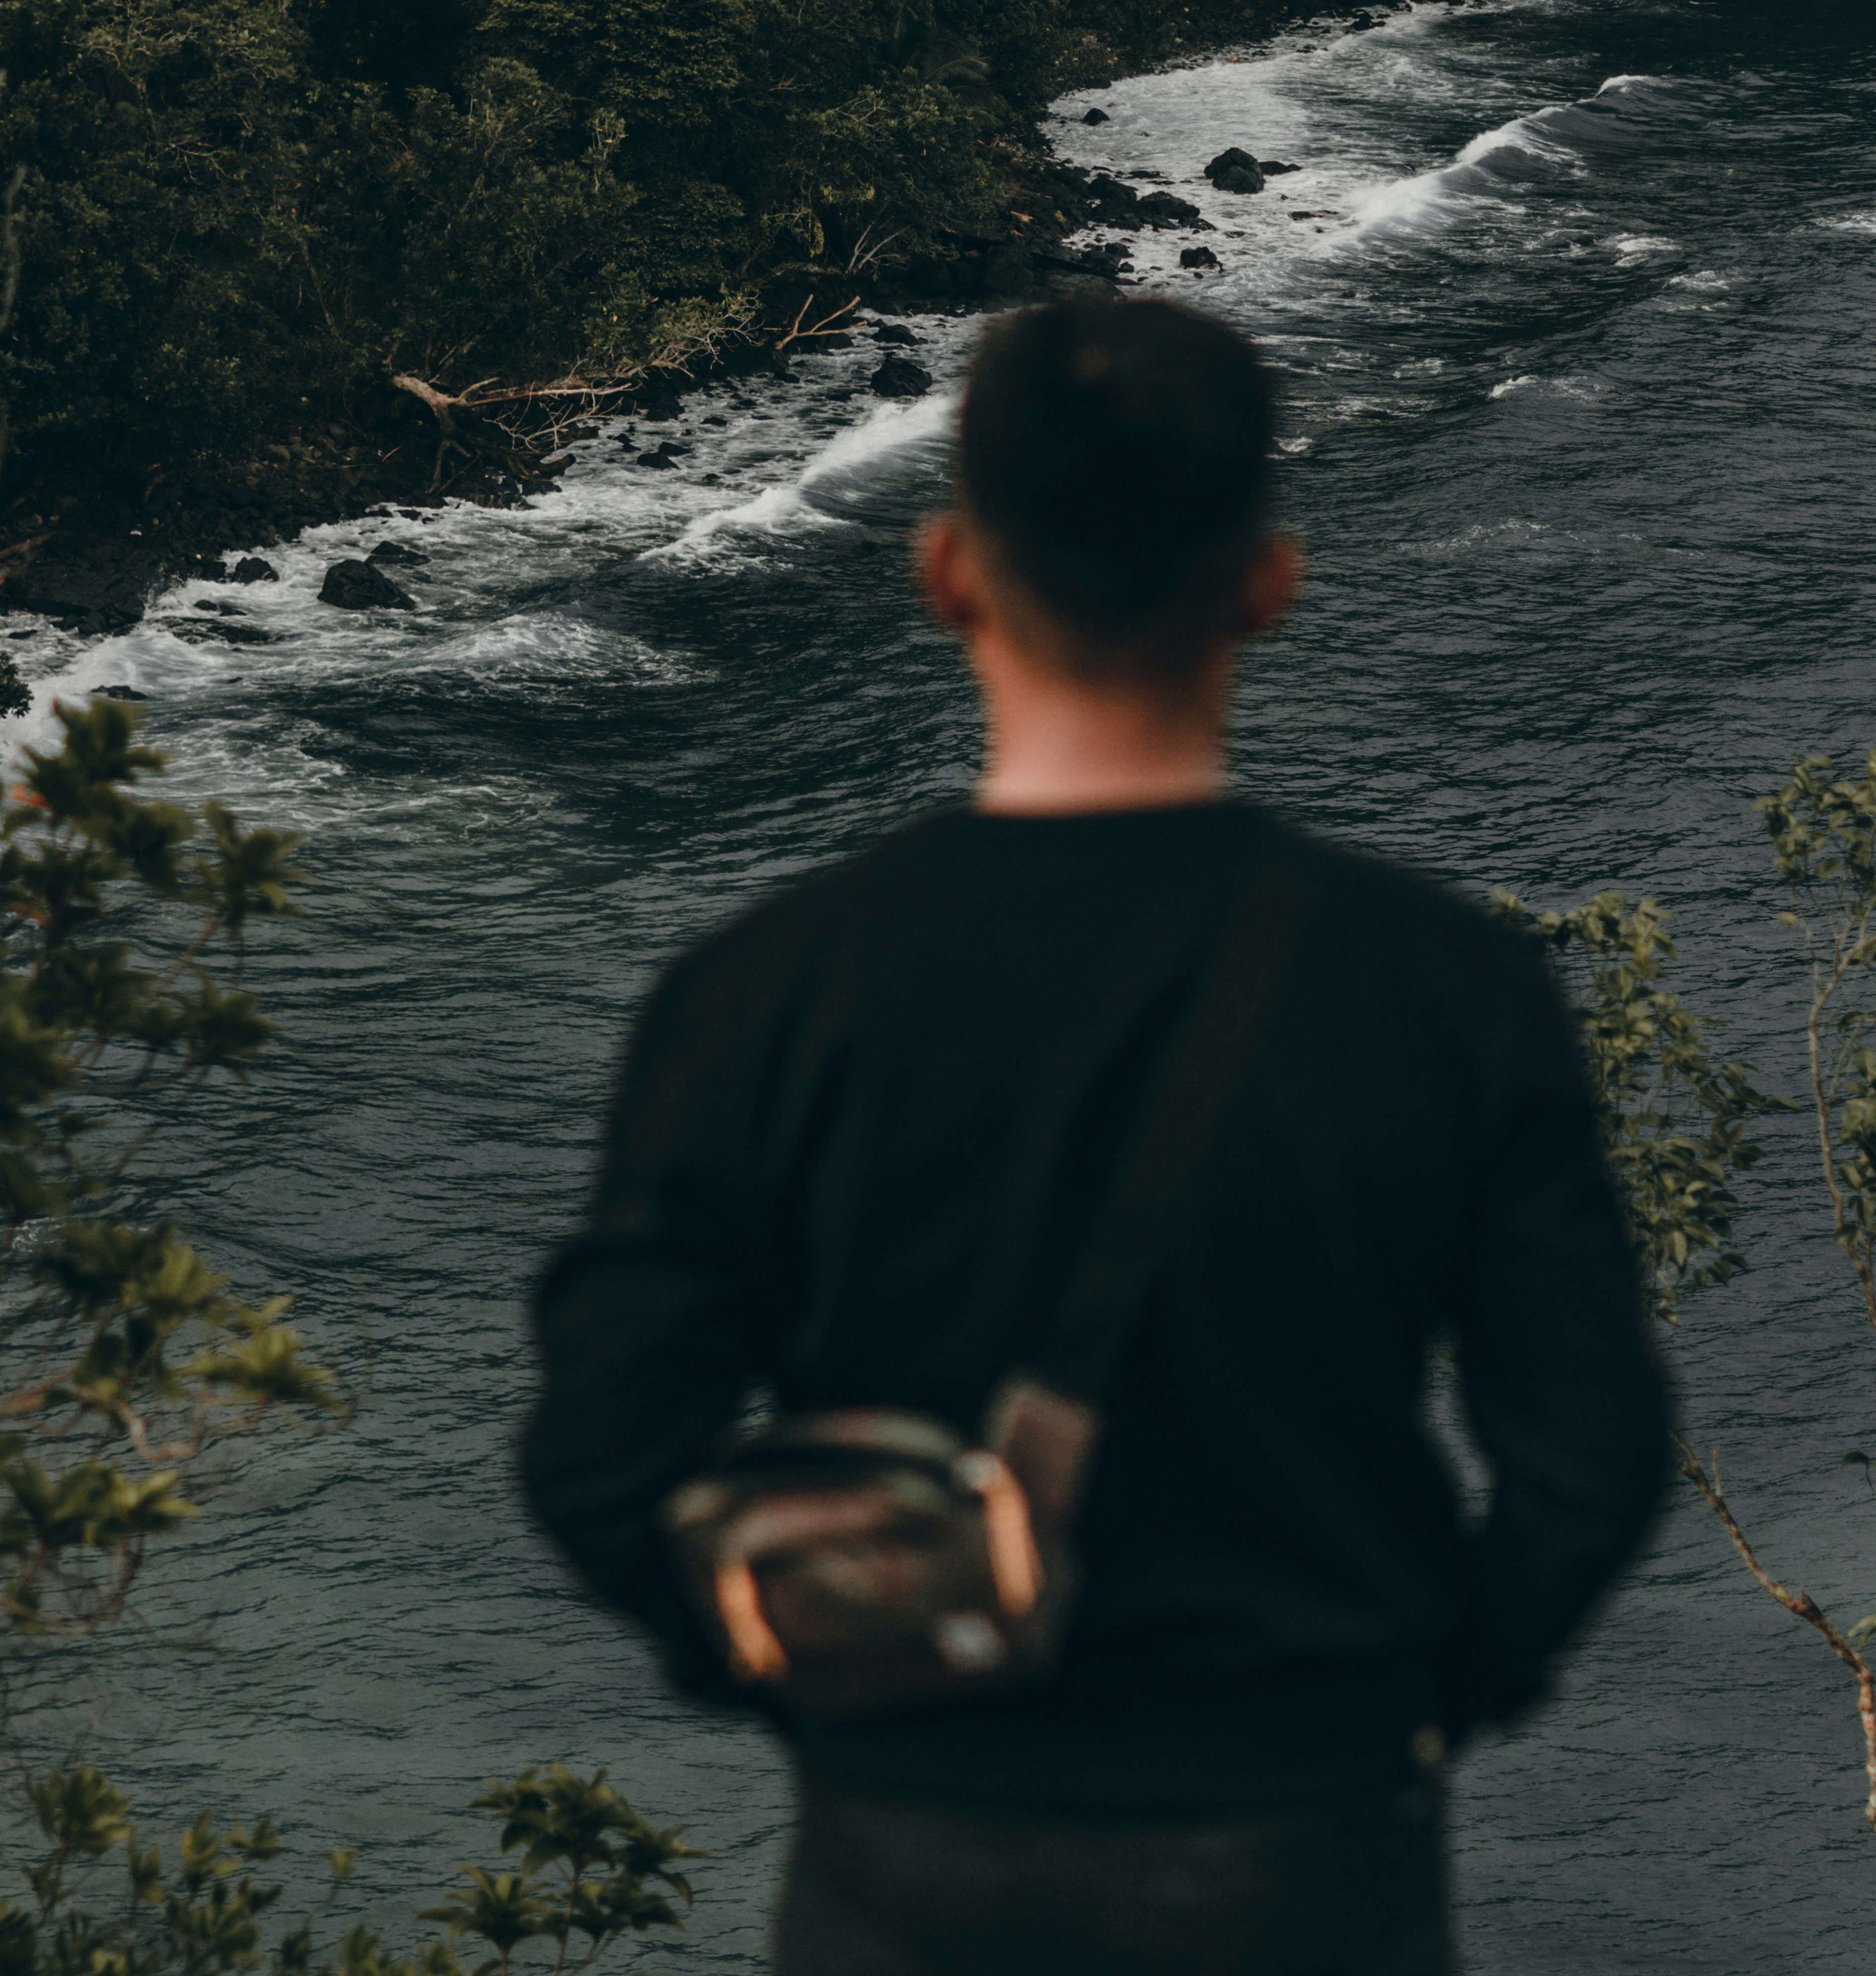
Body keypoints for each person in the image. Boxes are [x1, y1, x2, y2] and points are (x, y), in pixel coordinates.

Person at [522, 294, 1669, 1976]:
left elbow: (600, 1449)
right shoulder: (1439, 984)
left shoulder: (766, 986)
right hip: (1303, 1841)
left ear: (948, 572)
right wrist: (1430, 1700)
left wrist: (797, 1678)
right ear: (1265, 583)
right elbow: (1589, 1455)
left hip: (904, 1843)